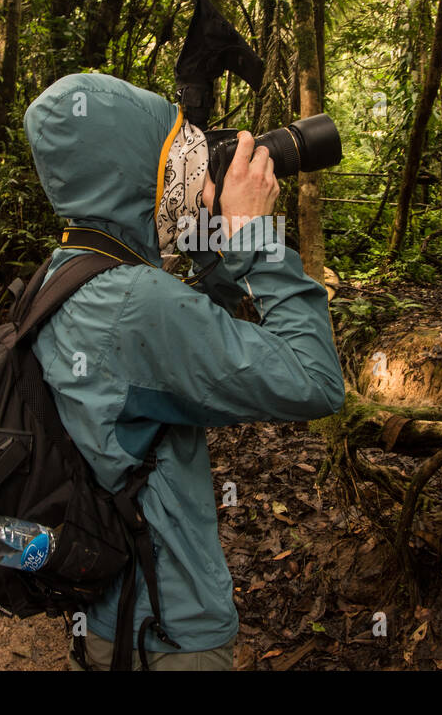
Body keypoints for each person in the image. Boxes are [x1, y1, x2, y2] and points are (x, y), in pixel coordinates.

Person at [22, 72, 345, 670]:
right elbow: (315, 380)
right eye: (176, 156)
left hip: (100, 618)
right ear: (137, 169)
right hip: (169, 636)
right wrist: (255, 239)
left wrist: (202, 240)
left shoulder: (63, 278)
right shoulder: (136, 304)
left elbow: (197, 354)